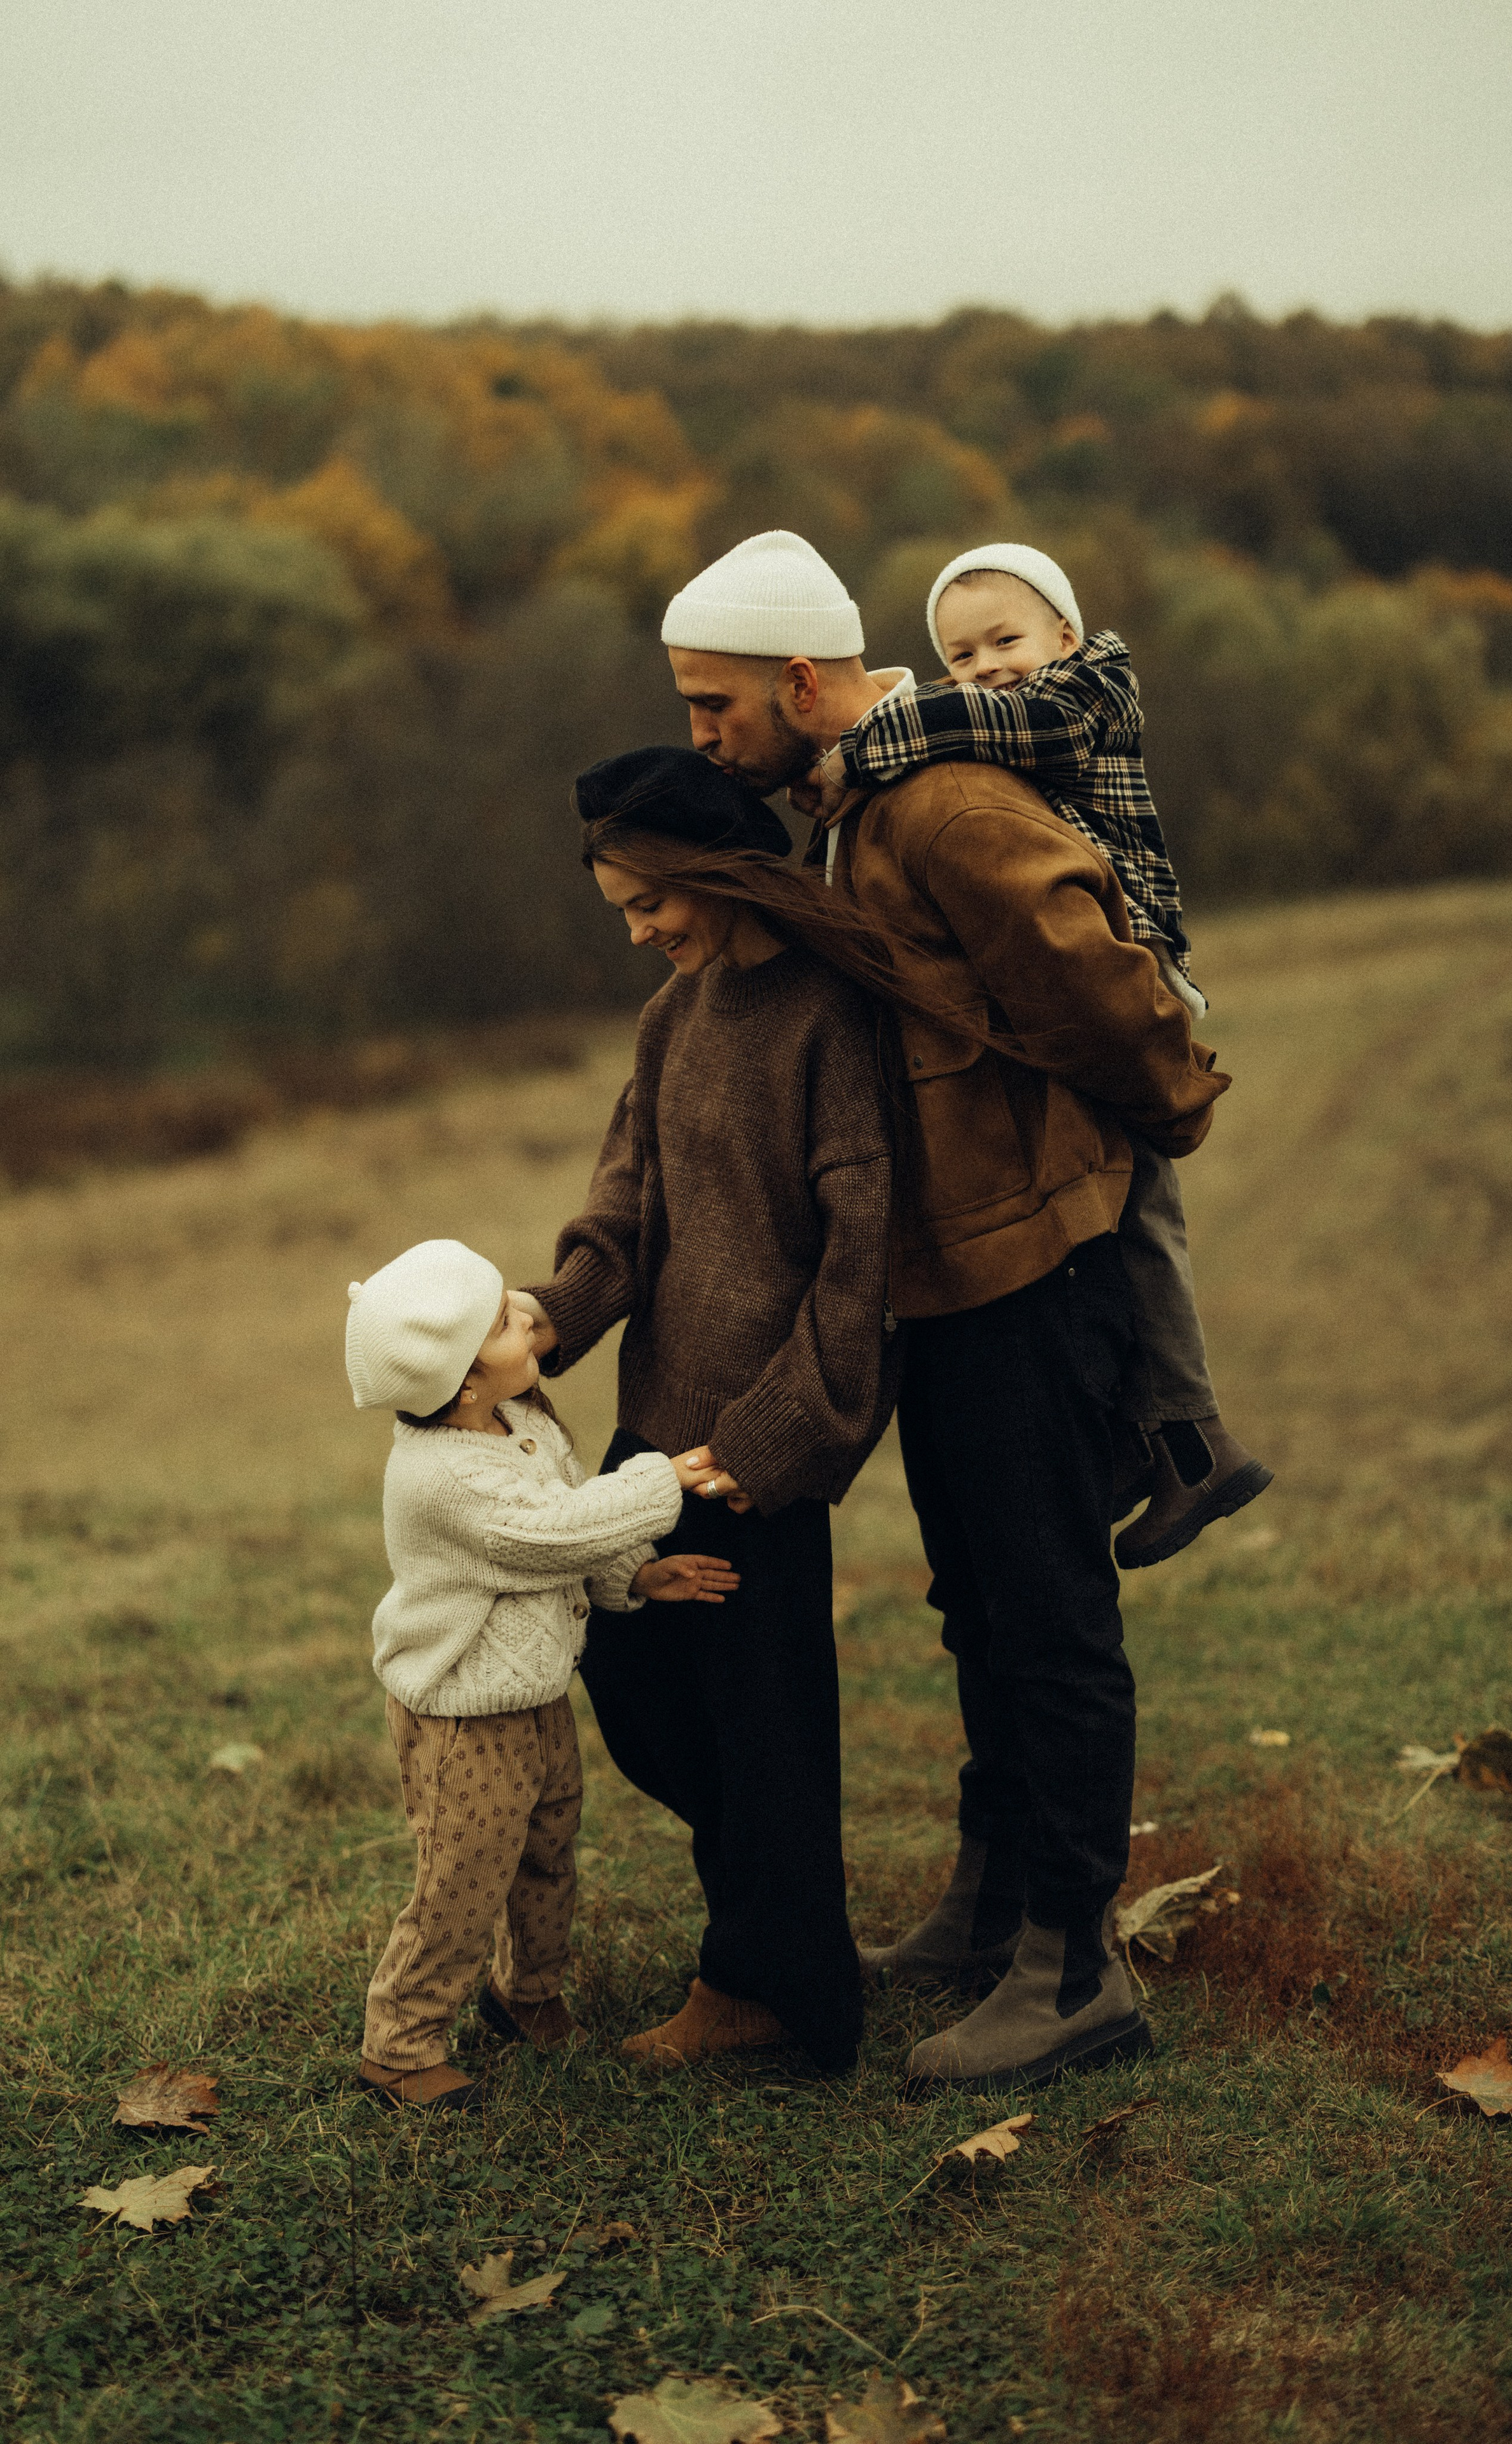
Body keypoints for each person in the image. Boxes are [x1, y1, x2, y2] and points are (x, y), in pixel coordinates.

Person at [658, 532, 1228, 2088]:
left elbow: (1105, 989)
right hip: (946, 1278)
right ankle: (990, 1909)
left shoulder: (940, 802)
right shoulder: (851, 803)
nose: (704, 735)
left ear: (796, 682)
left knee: (1045, 1611)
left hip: (1029, 1270)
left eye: (714, 706)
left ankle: (1074, 1964)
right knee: (977, 1600)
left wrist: (1160, 1114)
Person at [520, 746, 900, 2077]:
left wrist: (773, 1441)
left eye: (647, 902)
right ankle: (775, 1922)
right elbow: (624, 1204)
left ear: (708, 873)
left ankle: (772, 1988)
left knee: (763, 1725)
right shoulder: (672, 1017)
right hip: (652, 1433)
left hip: (752, 1450)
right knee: (630, 1677)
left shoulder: (828, 1016)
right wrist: (547, 1317)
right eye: (621, 908)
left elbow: (863, 1261)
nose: (637, 932)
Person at [809, 541, 1272, 1569]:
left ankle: (1194, 1438)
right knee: (1124, 1200)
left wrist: (863, 749)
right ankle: (1141, 1438)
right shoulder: (993, 721)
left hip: (1135, 952)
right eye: (960, 654)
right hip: (1107, 943)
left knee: (1141, 1205)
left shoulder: (1090, 692)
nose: (984, 669)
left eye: (1003, 640)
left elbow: (999, 723)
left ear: (1064, 632)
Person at [345, 1237, 734, 2111]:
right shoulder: (442, 1477)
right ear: (463, 1383)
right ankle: (399, 2043)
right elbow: (551, 1531)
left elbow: (568, 1535)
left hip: (535, 1695)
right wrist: (659, 1481)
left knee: (548, 1844)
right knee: (463, 1876)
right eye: (502, 1322)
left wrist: (632, 1573)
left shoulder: (520, 1422)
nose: (528, 1312)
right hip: (462, 1716)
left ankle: (527, 1991)